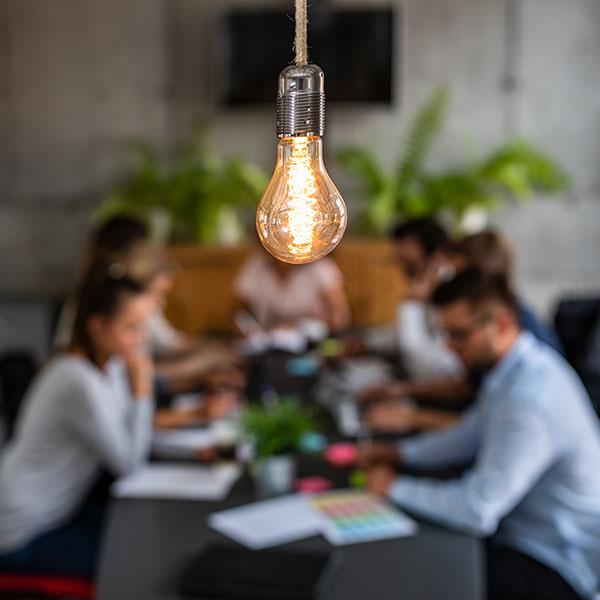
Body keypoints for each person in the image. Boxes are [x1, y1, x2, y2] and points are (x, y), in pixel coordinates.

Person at [361, 268, 600, 600]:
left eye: (459, 335)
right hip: (522, 535)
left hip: (557, 563)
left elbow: (476, 511)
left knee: (412, 579)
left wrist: (392, 486)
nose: (450, 348)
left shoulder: (530, 401)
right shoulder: (515, 368)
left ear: (500, 324)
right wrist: (401, 454)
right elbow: (469, 433)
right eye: (445, 334)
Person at [0, 261, 156, 577]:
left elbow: (127, 432)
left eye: (143, 327)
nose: (140, 340)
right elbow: (129, 463)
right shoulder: (76, 379)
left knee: (141, 542)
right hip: (20, 533)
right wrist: (143, 391)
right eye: (131, 328)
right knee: (136, 565)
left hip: (57, 514)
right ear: (97, 326)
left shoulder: (107, 366)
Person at [234, 250, 351, 334]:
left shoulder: (320, 266)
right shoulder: (256, 265)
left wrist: (306, 328)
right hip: (265, 348)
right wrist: (249, 331)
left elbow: (341, 315)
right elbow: (235, 313)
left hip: (311, 347)